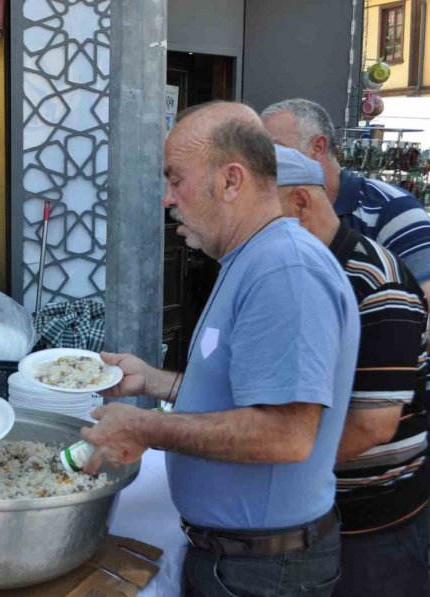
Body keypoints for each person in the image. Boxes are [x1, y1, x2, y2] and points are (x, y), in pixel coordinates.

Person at [83, 101, 360, 596]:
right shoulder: (251, 258)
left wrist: (147, 426)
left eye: (176, 179)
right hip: (238, 558)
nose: (168, 198)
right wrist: (155, 380)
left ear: (232, 181)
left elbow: (285, 434)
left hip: (263, 572)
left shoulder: (283, 270)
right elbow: (242, 393)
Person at [273, 144, 430, 596]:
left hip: (375, 529)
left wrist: (268, 467)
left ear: (301, 203)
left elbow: (372, 427)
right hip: (315, 516)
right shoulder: (297, 272)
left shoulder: (374, 280)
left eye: (261, 214)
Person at [261, 99, 430, 301]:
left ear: (317, 148)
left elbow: (424, 301)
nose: (263, 162)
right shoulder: (271, 212)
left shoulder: (393, 209)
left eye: (276, 150)